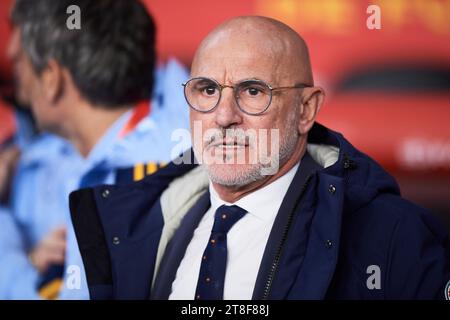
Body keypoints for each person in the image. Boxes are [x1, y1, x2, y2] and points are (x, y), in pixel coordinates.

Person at [69, 16, 450, 300]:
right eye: (206, 90)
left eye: (252, 91)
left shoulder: (393, 236)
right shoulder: (140, 221)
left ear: (305, 110)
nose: (223, 115)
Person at [0, 0, 190, 299]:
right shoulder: (36, 159)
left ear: (52, 79)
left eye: (20, 65)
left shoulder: (156, 170)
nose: (19, 86)